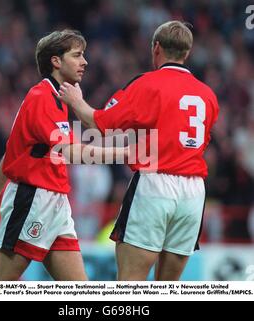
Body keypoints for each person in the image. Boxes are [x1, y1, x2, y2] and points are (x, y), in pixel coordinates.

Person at [58, 21, 219, 281]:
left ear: (156, 48)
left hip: (155, 185)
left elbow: (100, 124)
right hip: (194, 192)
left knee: (131, 285)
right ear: (187, 53)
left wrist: (76, 101)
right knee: (168, 288)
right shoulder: (208, 94)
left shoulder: (147, 84)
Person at [0, 29, 125, 281]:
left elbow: (14, 152)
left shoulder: (56, 98)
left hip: (56, 202)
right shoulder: (42, 98)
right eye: (77, 55)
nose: (84, 62)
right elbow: (70, 152)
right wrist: (123, 152)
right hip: (32, 199)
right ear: (56, 61)